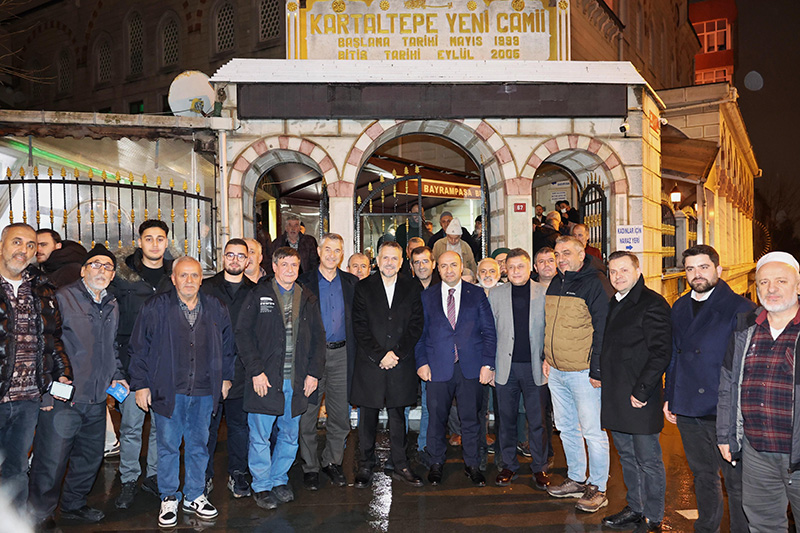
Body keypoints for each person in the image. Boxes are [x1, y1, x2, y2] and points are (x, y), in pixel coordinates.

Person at [128, 256, 235, 527]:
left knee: (199, 445)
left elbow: (228, 347)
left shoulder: (216, 307)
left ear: (201, 279)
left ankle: (195, 494)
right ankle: (168, 497)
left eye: (194, 275)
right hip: (168, 391)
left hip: (204, 391)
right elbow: (139, 348)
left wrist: (225, 379)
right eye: (183, 275)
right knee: (168, 446)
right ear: (173, 278)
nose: (189, 280)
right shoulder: (155, 307)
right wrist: (141, 384)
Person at [28, 244, 123, 525]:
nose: (101, 270)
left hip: (96, 398)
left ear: (113, 275)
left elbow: (112, 346)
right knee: (52, 459)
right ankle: (40, 513)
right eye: (95, 264)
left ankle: (73, 504)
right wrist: (47, 390)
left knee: (90, 457)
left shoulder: (112, 303)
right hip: (65, 398)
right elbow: (45, 344)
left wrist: (117, 374)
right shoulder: (62, 298)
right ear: (82, 270)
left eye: (107, 267)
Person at [664, 244, 753, 533]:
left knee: (736, 482)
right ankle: (706, 528)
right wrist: (670, 397)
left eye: (703, 267)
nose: (697, 274)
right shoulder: (679, 306)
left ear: (718, 269)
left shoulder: (741, 308)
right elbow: (675, 354)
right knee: (703, 476)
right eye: (690, 269)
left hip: (725, 409)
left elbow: (746, 365)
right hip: (689, 406)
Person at [236, 247, 325, 511]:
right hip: (265, 379)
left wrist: (313, 373)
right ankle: (262, 485)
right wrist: (255, 370)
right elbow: (243, 333)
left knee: (289, 435)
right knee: (260, 436)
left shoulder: (307, 297)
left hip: (296, 381)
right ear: (274, 267)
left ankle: (279, 479)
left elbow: (319, 339)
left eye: (294, 265)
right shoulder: (258, 294)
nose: (289, 269)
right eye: (284, 264)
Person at [717, 252, 800, 533]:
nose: (771, 289)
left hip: (797, 453)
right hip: (757, 452)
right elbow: (728, 386)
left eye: (781, 281)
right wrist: (725, 435)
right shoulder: (746, 328)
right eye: (764, 282)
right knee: (763, 525)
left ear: (798, 285)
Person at [0, 223, 71, 510]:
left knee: (16, 469)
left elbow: (53, 337)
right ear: (2, 245)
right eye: (17, 242)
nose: (24, 250)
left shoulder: (41, 288)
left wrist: (62, 372)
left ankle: (13, 523)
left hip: (28, 398)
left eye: (31, 245)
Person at [600, 252, 672, 533]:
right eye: (613, 271)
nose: (617, 276)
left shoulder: (652, 303)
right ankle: (635, 507)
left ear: (638, 271)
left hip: (640, 397)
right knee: (627, 457)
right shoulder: (616, 301)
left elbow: (661, 352)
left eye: (624, 270)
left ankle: (653, 516)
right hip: (617, 396)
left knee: (648, 460)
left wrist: (642, 391)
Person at [544, 235, 613, 512]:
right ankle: (576, 478)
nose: (561, 259)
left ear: (581, 255)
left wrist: (597, 370)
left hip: (584, 373)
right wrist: (546, 358)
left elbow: (603, 330)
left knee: (593, 431)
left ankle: (598, 487)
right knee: (567, 428)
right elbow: (550, 326)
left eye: (567, 253)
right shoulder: (556, 282)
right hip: (556, 371)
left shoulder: (596, 283)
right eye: (557, 254)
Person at [415, 251, 496, 487]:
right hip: (437, 367)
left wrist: (488, 364)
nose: (448, 270)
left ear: (461, 267)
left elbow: (489, 332)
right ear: (437, 269)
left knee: (471, 419)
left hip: (470, 367)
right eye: (443, 266)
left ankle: (473, 465)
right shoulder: (427, 296)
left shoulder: (476, 294)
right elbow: (419, 334)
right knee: (436, 419)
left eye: (453, 265)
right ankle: (436, 463)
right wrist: (421, 362)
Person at [110, 219, 174, 509]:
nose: (155, 244)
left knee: (162, 427)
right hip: (132, 364)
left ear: (166, 242)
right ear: (140, 242)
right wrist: (116, 369)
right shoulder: (123, 277)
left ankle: (154, 476)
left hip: (166, 365)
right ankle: (128, 479)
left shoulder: (174, 275)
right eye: (149, 238)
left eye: (160, 239)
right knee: (131, 427)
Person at [351, 241, 424, 489]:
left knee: (398, 416)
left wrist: (397, 354)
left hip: (400, 363)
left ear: (401, 262)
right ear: (377, 261)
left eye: (394, 258)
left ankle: (401, 464)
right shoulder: (363, 287)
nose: (390, 262)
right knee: (367, 417)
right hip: (370, 363)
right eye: (385, 258)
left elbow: (416, 324)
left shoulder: (412, 287)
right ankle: (365, 464)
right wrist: (380, 355)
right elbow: (359, 325)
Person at [298, 234, 358, 491]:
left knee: (340, 415)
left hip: (342, 355)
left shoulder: (352, 283)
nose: (332, 254)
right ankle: (310, 466)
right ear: (319, 251)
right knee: (307, 414)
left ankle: (332, 462)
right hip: (313, 356)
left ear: (342, 254)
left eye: (337, 250)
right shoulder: (303, 282)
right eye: (328, 249)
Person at [488, 248, 550, 490]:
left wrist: (548, 359)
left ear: (530, 268)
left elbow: (550, 330)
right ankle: (508, 466)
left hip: (535, 367)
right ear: (506, 269)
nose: (515, 271)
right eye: (511, 267)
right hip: (505, 368)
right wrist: (490, 366)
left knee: (537, 421)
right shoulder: (496, 294)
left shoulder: (544, 292)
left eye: (520, 266)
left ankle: (540, 467)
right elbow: (489, 332)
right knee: (506, 420)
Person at [201, 239, 256, 498]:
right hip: (209, 369)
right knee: (207, 428)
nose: (235, 260)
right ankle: (204, 476)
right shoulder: (206, 288)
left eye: (240, 256)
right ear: (223, 258)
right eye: (230, 255)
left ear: (248, 261)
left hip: (242, 370)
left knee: (239, 426)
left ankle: (238, 473)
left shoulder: (256, 291)